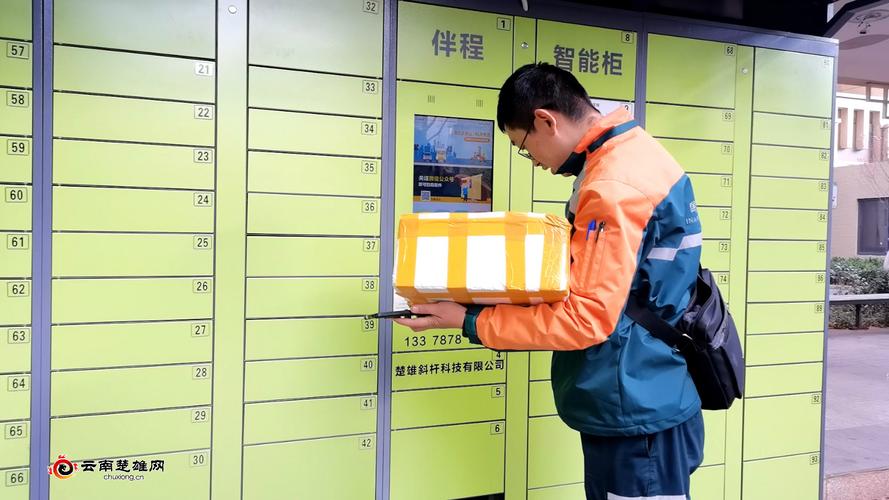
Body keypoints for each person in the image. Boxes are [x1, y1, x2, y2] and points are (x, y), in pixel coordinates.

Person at [395, 62, 704, 500]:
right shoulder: (637, 153)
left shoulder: (611, 184)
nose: (536, 162)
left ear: (545, 120)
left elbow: (586, 319)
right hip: (652, 385)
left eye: (524, 147)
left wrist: (468, 320)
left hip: (634, 407)